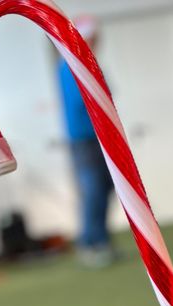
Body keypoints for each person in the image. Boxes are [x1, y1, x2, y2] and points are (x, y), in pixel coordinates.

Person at [57, 15, 117, 268]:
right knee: (93, 191)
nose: (96, 40)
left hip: (99, 138)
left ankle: (101, 241)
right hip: (84, 140)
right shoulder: (70, 65)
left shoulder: (87, 63)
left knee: (105, 189)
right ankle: (89, 243)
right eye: (92, 35)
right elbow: (87, 101)